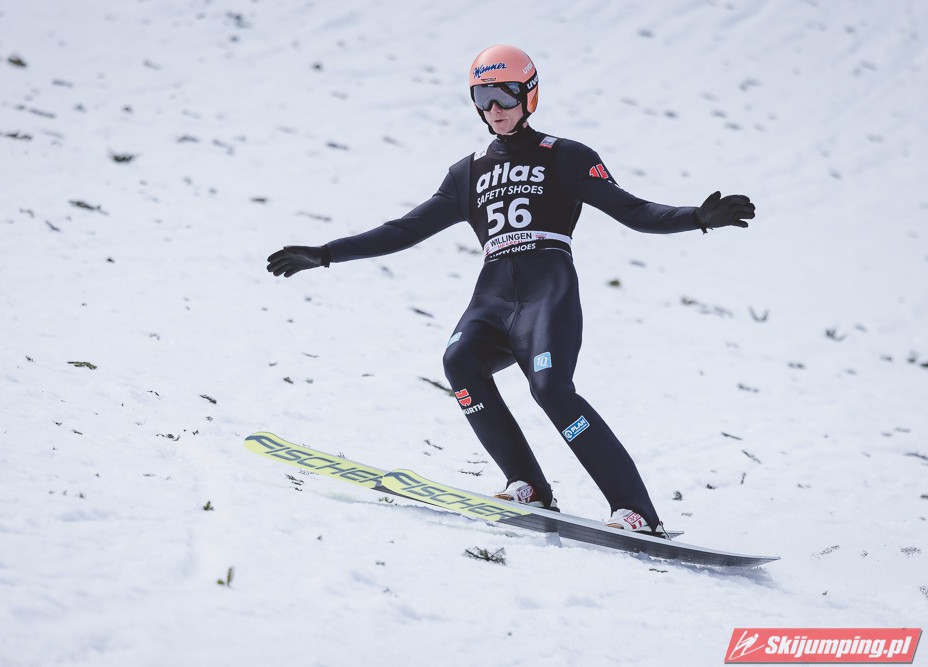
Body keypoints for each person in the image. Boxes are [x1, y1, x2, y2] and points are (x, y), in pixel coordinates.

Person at [267, 45, 755, 534]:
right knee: (460, 362)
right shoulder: (466, 173)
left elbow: (634, 211)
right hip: (493, 295)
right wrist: (326, 253)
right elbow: (404, 229)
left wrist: (696, 217)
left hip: (547, 292)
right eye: (483, 97)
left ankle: (636, 511)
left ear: (530, 96)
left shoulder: (567, 156)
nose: (494, 108)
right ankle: (528, 485)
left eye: (505, 95)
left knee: (550, 389)